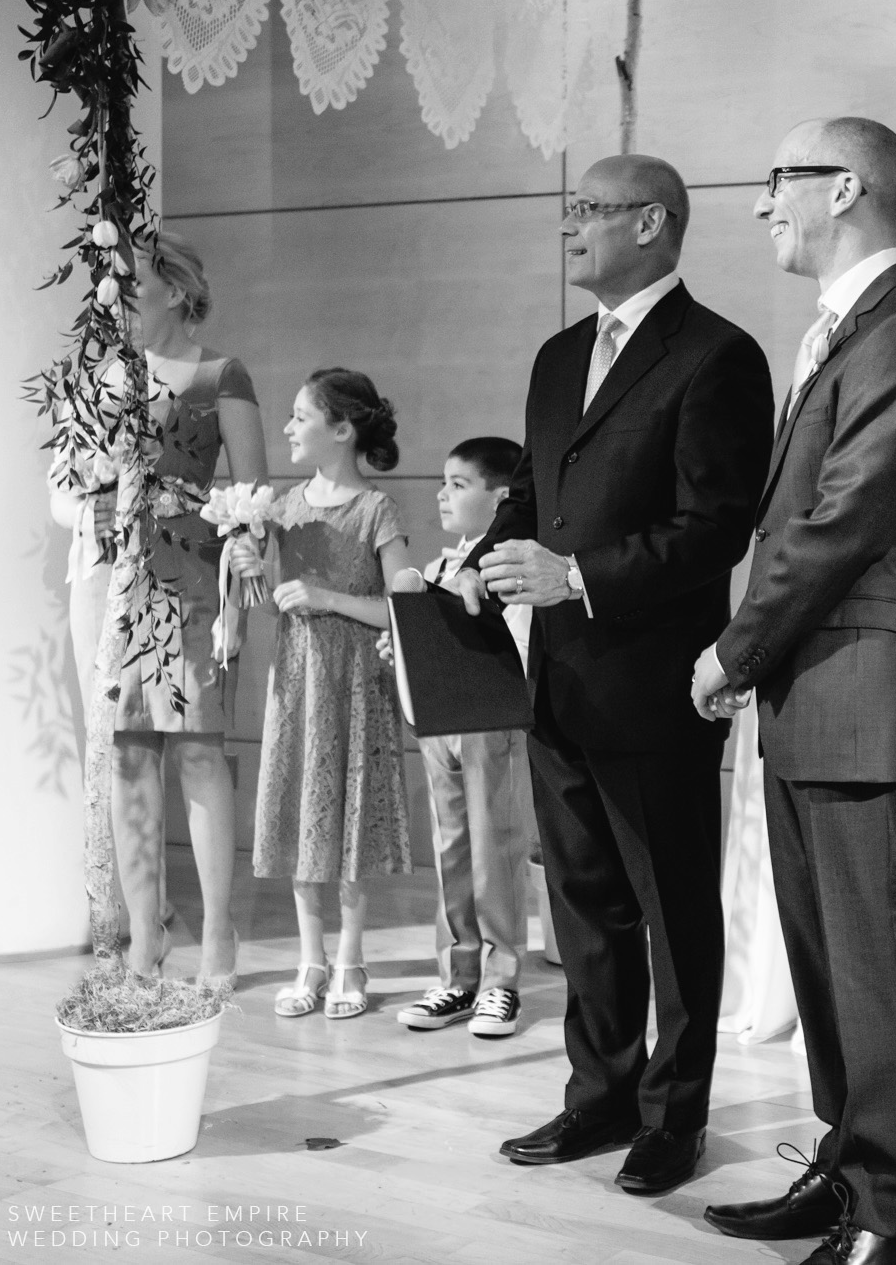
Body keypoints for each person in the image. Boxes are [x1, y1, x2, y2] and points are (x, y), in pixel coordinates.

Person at [451, 155, 772, 1196]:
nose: (568, 227)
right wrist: (484, 557)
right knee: (584, 906)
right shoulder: (555, 359)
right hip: (558, 683)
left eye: (588, 211)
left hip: (654, 683)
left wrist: (575, 575)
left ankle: (674, 1119)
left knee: (671, 909)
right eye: (569, 209)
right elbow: (533, 499)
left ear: (651, 222)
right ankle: (598, 1094)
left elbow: (716, 528)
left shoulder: (718, 355)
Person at [691, 117, 896, 1265]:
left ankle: (891, 1223)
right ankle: (842, 1171)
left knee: (869, 967)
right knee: (820, 961)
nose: (763, 204)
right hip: (812, 695)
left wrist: (732, 651)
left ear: (844, 187)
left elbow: (834, 527)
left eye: (777, 181)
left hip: (857, 694)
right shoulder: (846, 332)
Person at [47, 230, 266, 985]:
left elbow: (251, 500)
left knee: (201, 753)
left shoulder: (219, 375)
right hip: (121, 585)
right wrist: (90, 506)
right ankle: (144, 934)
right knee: (130, 756)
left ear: (173, 289)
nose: (120, 297)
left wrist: (241, 596)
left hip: (197, 580)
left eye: (132, 281)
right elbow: (64, 481)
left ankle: (218, 935)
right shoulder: (104, 377)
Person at [233, 369, 416, 1021]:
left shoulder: (376, 510)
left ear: (341, 429)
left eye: (299, 415)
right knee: (301, 812)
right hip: (298, 684)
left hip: (357, 684)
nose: (286, 427)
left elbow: (403, 607)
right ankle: (310, 957)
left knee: (349, 821)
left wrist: (328, 598)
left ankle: (351, 959)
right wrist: (249, 573)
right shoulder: (280, 507)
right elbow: (262, 601)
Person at [388, 437, 538, 1038]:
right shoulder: (438, 567)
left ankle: (502, 982)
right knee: (450, 846)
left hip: (492, 720)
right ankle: (457, 973)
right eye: (443, 482)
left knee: (494, 849)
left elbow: (521, 641)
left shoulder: (511, 564)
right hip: (440, 722)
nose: (442, 493)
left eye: (459, 484)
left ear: (503, 498)